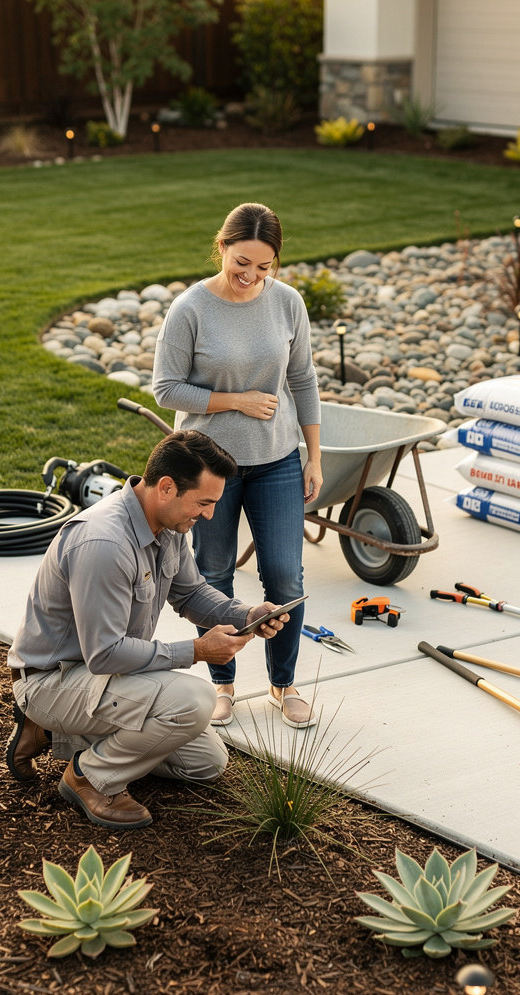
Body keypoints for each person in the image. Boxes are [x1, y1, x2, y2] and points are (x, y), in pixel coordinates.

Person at [5, 429, 292, 830]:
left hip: (109, 678)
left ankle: (55, 734)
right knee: (192, 699)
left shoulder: (170, 528)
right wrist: (197, 651)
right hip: (56, 679)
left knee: (206, 763)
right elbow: (104, 654)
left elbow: (191, 595)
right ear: (167, 487)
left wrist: (247, 615)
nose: (209, 514)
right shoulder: (104, 543)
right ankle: (88, 777)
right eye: (204, 503)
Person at [152, 202, 323, 730]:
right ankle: (222, 684)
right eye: (241, 261)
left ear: (276, 263)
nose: (250, 275)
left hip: (277, 462)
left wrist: (313, 456)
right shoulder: (190, 308)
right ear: (222, 247)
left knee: (284, 575)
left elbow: (304, 379)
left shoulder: (288, 303)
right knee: (214, 575)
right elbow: (166, 389)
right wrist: (237, 400)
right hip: (209, 469)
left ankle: (282, 684)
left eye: (264, 266)